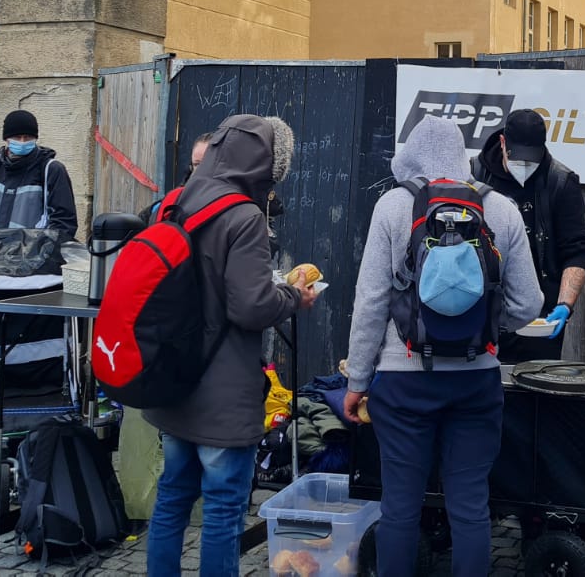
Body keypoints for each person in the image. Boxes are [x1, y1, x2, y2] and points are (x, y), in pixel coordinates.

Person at [342, 116, 543, 577]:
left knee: (399, 509)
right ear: (463, 156)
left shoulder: (393, 206)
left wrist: (357, 379)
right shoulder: (502, 208)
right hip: (476, 381)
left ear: (410, 158)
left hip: (403, 380)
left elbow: (371, 299)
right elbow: (528, 302)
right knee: (470, 508)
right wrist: (490, 326)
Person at [142, 115, 317, 577]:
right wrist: (295, 296)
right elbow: (252, 307)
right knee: (222, 507)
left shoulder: (175, 202)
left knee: (173, 497)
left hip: (174, 378)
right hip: (223, 386)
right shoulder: (242, 216)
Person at [470, 109, 585, 362]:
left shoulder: (561, 181)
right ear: (503, 143)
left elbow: (577, 251)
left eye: (531, 160)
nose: (524, 167)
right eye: (518, 159)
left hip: (539, 319)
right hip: (480, 316)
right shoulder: (473, 176)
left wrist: (564, 305)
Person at [0, 109, 78, 239]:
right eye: (17, 137)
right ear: (7, 139)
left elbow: (64, 223)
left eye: (28, 137)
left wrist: (40, 253)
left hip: (33, 256)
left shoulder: (51, 170)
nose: (22, 141)